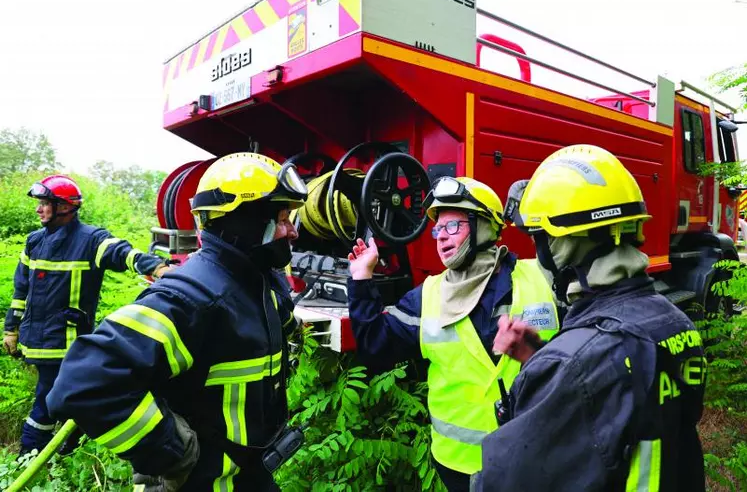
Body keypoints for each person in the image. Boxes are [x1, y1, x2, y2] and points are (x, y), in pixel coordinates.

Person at [47, 153, 308, 491]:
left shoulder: (255, 283)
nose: (292, 231)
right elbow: (85, 382)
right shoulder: (195, 298)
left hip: (246, 475)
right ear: (245, 220)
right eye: (282, 218)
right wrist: (173, 454)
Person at [473, 145, 707, 491]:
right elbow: (628, 409)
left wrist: (553, 366)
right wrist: (539, 358)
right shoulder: (676, 323)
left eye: (540, 239)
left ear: (562, 247)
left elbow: (506, 482)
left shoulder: (575, 362)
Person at [347, 177, 559, 491]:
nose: (441, 239)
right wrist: (362, 277)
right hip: (460, 467)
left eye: (453, 227)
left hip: (537, 459)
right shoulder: (426, 297)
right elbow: (375, 345)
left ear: (485, 226)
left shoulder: (541, 278)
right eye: (437, 230)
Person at [1, 174, 169, 456]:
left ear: (65, 207)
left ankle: (30, 455)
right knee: (62, 397)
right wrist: (11, 329)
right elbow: (21, 289)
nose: (38, 209)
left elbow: (122, 253)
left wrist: (156, 267)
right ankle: (61, 449)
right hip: (36, 340)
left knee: (49, 400)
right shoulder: (34, 242)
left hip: (68, 342)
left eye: (44, 203)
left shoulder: (91, 240)